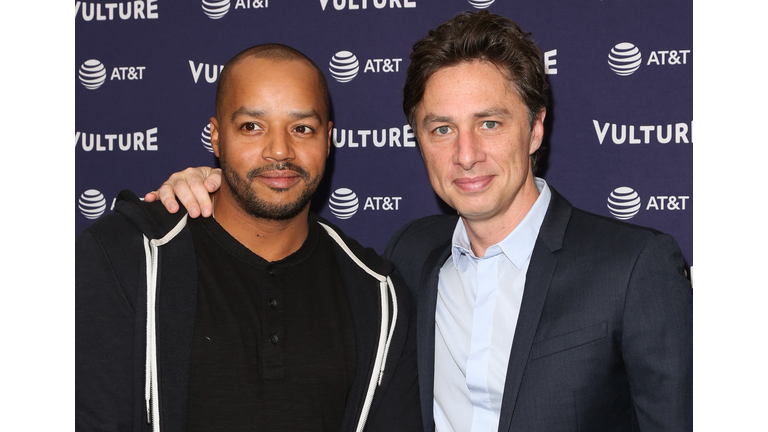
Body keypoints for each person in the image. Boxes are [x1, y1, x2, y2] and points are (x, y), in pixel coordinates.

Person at [147, 11, 693, 432]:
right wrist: (216, 184)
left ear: (535, 130)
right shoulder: (407, 258)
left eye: (489, 123)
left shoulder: (633, 267)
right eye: (441, 129)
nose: (466, 154)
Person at [76, 43, 422, 432]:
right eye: (252, 127)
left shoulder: (377, 294)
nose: (279, 151)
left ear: (327, 140)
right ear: (216, 137)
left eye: (302, 129)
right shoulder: (124, 256)